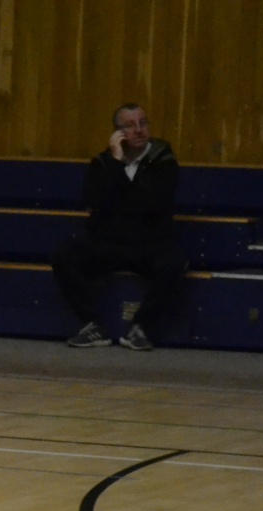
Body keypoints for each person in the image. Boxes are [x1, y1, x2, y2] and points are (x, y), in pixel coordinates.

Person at [53, 103, 185, 353]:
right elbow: (93, 200)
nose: (139, 130)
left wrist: (119, 196)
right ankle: (93, 325)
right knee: (64, 256)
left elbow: (152, 203)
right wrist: (116, 162)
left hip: (149, 244)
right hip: (109, 243)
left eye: (143, 123)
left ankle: (141, 328)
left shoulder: (164, 160)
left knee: (175, 263)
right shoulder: (104, 162)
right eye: (130, 125)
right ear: (118, 132)